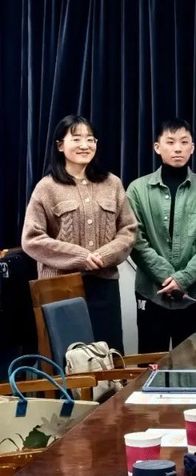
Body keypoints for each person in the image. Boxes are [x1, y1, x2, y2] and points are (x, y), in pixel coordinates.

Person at [22, 115, 137, 352]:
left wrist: (104, 255)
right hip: (60, 286)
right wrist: (80, 257)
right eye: (76, 139)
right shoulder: (47, 187)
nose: (85, 145)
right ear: (60, 145)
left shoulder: (112, 183)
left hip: (104, 284)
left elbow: (128, 230)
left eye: (90, 139)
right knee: (68, 357)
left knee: (108, 354)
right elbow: (32, 239)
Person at [127, 118, 196, 352]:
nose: (178, 148)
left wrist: (184, 279)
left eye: (184, 142)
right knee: (151, 362)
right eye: (170, 142)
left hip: (195, 295)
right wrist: (167, 277)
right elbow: (135, 240)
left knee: (194, 365)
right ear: (157, 147)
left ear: (193, 147)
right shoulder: (137, 189)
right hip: (152, 293)